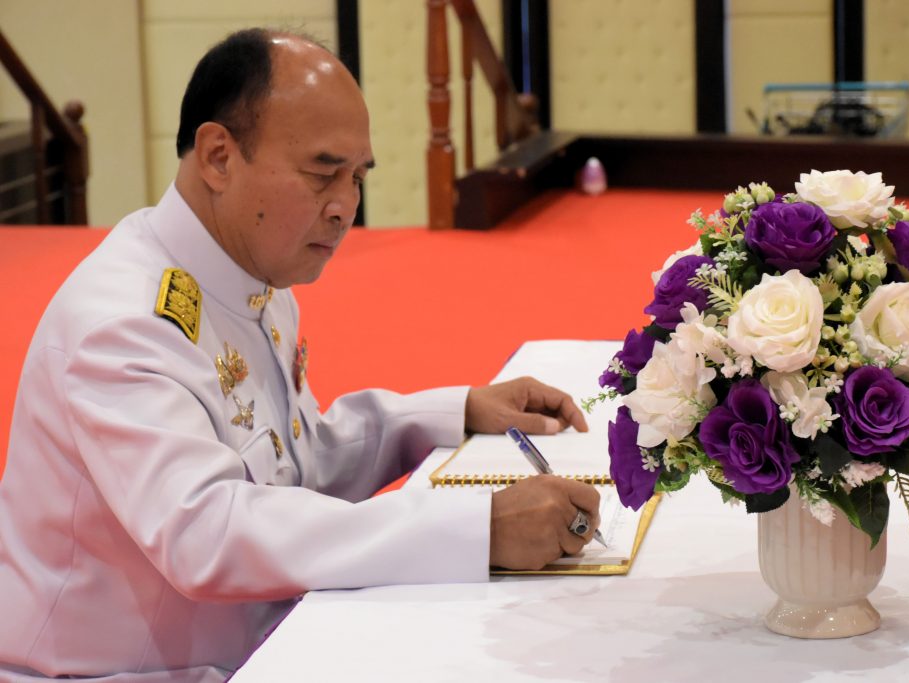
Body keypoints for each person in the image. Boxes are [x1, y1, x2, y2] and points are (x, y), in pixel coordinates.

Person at [0, 28, 600, 682]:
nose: (345, 207)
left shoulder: (249, 273)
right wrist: (476, 527)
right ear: (218, 156)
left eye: (358, 176)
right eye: (323, 172)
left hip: (250, 647)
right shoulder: (121, 320)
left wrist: (450, 411)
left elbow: (291, 466)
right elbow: (209, 532)